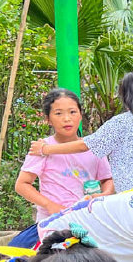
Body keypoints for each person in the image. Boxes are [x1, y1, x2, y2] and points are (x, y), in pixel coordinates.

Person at [29, 72, 133, 193]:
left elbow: (85, 145)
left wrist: (46, 149)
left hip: (130, 200)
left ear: (124, 97)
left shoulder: (118, 123)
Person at [12, 88, 114, 248]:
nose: (67, 119)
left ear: (81, 114)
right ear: (48, 119)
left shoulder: (92, 146)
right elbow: (22, 185)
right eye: (58, 113)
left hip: (89, 221)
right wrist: (50, 206)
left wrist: (105, 194)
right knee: (15, 255)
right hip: (53, 223)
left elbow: (107, 179)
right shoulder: (41, 148)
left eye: (72, 112)